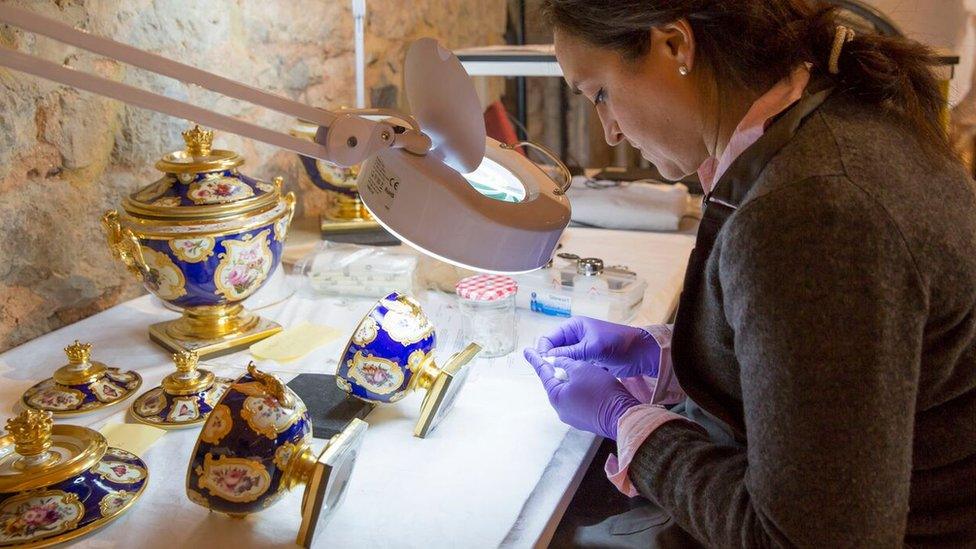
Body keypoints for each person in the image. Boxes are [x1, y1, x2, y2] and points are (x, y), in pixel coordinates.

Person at [522, 1, 976, 546]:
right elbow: (833, 363)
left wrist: (628, 424)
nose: (610, 131)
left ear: (675, 46)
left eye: (600, 93)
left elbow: (801, 539)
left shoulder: (811, 209)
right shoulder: (831, 125)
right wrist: (671, 354)